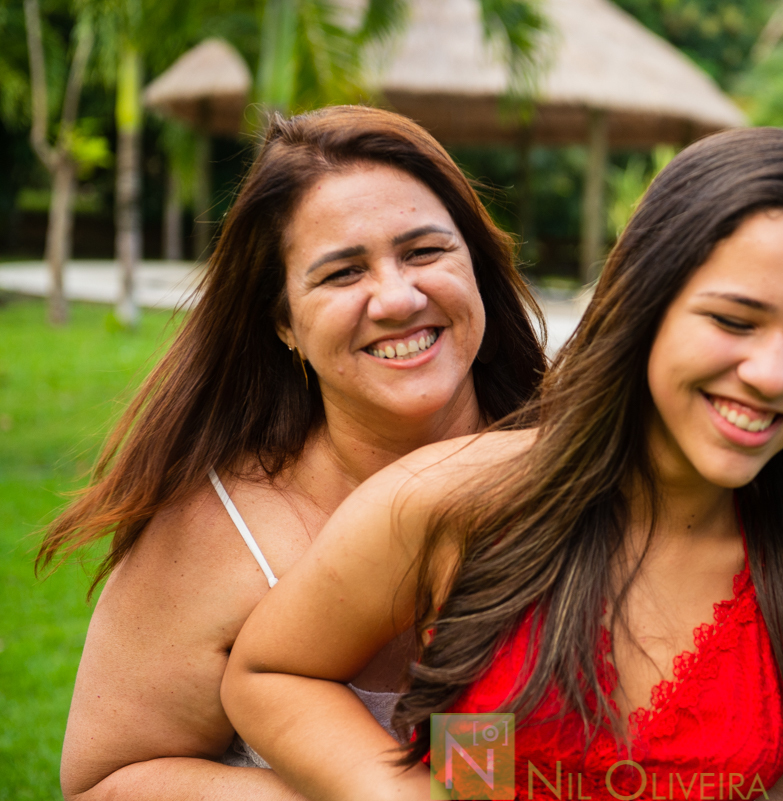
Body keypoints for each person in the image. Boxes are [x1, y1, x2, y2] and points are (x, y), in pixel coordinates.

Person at [222, 127, 783, 801]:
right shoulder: (455, 501)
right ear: (646, 305)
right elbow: (269, 673)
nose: (774, 374)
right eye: (733, 320)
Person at [38, 105, 546, 800]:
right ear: (284, 324)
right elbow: (103, 782)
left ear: (477, 267)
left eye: (425, 251)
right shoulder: (216, 532)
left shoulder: (581, 470)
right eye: (342, 273)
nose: (397, 297)